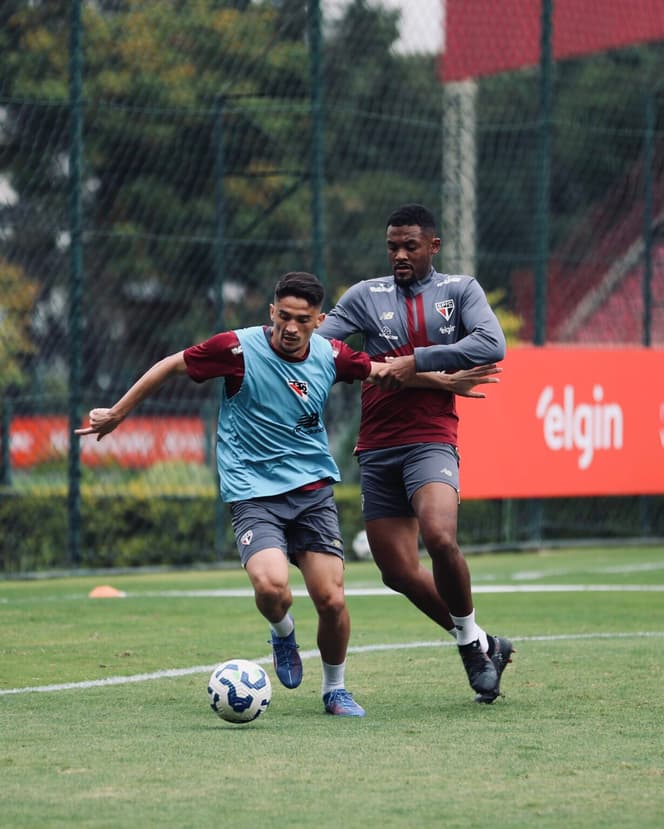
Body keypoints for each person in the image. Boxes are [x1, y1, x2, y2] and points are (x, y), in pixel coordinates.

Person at [77, 272, 398, 717]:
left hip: (311, 492)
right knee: (271, 587)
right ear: (272, 312)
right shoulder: (236, 349)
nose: (290, 327)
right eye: (284, 316)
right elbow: (170, 364)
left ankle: (335, 690)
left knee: (332, 600)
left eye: (302, 320)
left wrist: (444, 379)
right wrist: (117, 413)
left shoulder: (332, 353)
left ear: (319, 321)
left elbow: (384, 372)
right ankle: (282, 632)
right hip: (253, 492)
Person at [318, 204, 514, 703]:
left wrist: (417, 362)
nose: (400, 255)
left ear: (433, 246)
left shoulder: (460, 290)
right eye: (392, 247)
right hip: (377, 445)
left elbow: (491, 344)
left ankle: (469, 644)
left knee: (440, 537)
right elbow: (320, 352)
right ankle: (486, 644)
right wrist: (402, 371)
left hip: (431, 438)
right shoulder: (364, 296)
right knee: (397, 572)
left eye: (410, 246)